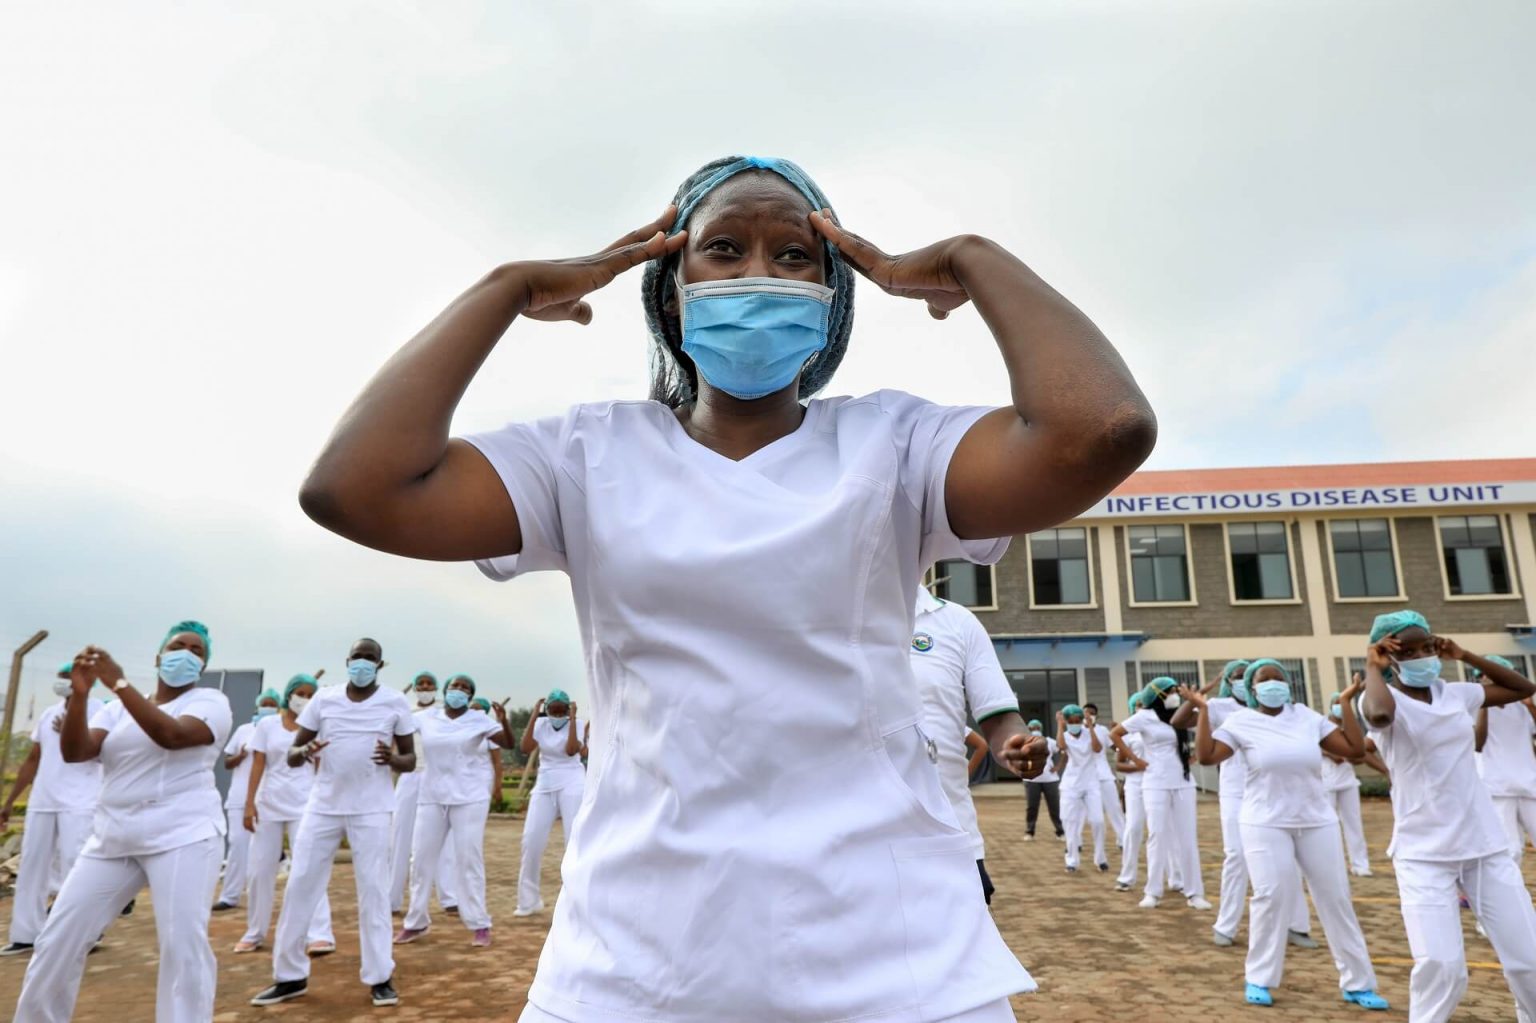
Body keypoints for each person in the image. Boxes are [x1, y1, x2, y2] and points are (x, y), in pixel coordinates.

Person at [294, 153, 1153, 1021]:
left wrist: (973, 257)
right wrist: (506, 288)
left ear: (832, 297)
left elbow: (1102, 428)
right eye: (725, 248)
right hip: (631, 968)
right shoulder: (585, 455)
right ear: (672, 290)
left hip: (898, 965)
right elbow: (355, 487)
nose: (757, 274)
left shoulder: (896, 445)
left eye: (794, 255)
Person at [13, 622, 233, 1023]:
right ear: (159, 656)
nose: (186, 654)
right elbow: (77, 752)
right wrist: (81, 697)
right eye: (178, 646)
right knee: (58, 939)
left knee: (183, 947)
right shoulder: (115, 710)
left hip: (182, 835)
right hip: (113, 837)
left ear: (203, 665)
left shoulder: (210, 702)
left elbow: (171, 735)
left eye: (196, 650)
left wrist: (118, 683)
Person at [1361, 611, 1536, 1022]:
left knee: (1529, 959)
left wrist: (1464, 655)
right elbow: (1379, 716)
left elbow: (1523, 688)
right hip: (1424, 854)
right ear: (1390, 655)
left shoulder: (1456, 694)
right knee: (1442, 968)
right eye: (1409, 651)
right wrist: (1372, 666)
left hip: (1484, 847)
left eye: (1427, 647)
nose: (1422, 656)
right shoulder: (1386, 700)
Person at [1189, 663, 1387, 1010]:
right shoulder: (1241, 721)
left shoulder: (1306, 717)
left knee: (1336, 899)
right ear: (1252, 688)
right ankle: (1259, 977)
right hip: (1265, 822)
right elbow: (1206, 757)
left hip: (1316, 820)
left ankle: (1359, 983)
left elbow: (1355, 751)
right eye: (1264, 679)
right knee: (1271, 896)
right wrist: (1204, 711)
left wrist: (1345, 704)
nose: (1273, 684)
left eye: (1278, 678)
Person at [251, 638, 417, 1009]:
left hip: (372, 809)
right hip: (322, 806)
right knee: (300, 885)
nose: (363, 663)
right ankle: (289, 976)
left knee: (373, 891)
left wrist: (392, 759)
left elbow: (409, 760)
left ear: (380, 665)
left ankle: (380, 977)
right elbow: (293, 755)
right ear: (347, 660)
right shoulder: (324, 699)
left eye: (370, 658)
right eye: (357, 657)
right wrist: (305, 750)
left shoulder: (394, 702)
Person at [1172, 660, 1315, 948]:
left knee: (1288, 859)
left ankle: (1296, 925)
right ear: (1228, 682)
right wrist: (1198, 699)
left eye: (1243, 676)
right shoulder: (1219, 706)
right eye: (1234, 676)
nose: (1239, 680)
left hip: (1271, 792)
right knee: (1237, 855)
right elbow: (1179, 721)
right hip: (1235, 791)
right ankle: (1226, 926)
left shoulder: (1275, 710)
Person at [909, 585, 1022, 903]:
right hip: (849, 847)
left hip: (951, 838)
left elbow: (1000, 720)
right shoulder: (823, 614)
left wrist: (1017, 744)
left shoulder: (957, 621)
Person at [395, 674, 516, 948]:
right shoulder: (427, 717)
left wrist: (504, 721)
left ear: (470, 696)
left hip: (469, 797)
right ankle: (416, 922)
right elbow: (398, 727)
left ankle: (480, 923)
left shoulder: (479, 720)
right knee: (421, 860)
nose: (458, 690)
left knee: (468, 859)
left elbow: (508, 743)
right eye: (454, 686)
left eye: (464, 688)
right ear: (446, 690)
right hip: (432, 795)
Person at [0, 663, 103, 958]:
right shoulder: (49, 713)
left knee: (76, 865)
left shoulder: (99, 711)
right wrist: (9, 801)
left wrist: (74, 728)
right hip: (43, 800)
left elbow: (102, 751)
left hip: (80, 800)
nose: (62, 682)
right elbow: (34, 758)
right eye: (60, 677)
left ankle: (84, 934)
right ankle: (26, 934)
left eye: (67, 677)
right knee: (32, 866)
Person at [233, 673, 334, 955]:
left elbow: (320, 769)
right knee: (259, 871)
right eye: (300, 693)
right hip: (269, 804)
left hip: (305, 806)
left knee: (309, 868)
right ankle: (255, 932)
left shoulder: (316, 727)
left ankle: (319, 933)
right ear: (289, 694)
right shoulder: (267, 726)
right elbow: (258, 765)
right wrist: (249, 804)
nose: (304, 699)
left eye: (310, 695)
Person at [1111, 676, 1209, 909]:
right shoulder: (1144, 716)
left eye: (1176, 691)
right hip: (1155, 782)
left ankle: (1194, 893)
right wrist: (1136, 760)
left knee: (1187, 837)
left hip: (1183, 781)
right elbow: (1115, 734)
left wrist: (1195, 756)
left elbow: (1206, 721)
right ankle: (1152, 892)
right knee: (1157, 835)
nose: (1175, 695)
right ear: (1157, 695)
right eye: (1170, 691)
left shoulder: (1181, 716)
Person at [513, 689, 590, 917]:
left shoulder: (577, 723)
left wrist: (573, 718)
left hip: (572, 781)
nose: (557, 714)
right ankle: (529, 901)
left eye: (561, 710)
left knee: (573, 840)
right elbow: (525, 748)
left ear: (567, 709)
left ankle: (577, 901)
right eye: (552, 709)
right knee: (531, 841)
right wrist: (534, 714)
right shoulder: (541, 724)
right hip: (545, 783)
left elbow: (571, 751)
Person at [388, 671, 458, 917]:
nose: (425, 687)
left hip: (436, 778)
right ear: (415, 687)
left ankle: (449, 896)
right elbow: (393, 746)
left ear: (436, 688)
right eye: (421, 684)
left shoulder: (442, 714)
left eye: (430, 684)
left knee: (442, 839)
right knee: (399, 839)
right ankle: (392, 899)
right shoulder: (404, 712)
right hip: (409, 777)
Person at [214, 689, 279, 912]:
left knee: (261, 851)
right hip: (239, 798)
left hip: (268, 799)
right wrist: (240, 756)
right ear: (258, 706)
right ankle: (229, 896)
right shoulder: (244, 730)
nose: (268, 707)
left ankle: (257, 897)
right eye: (265, 703)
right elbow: (227, 762)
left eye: (272, 704)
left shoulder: (279, 730)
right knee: (237, 845)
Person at [1471, 655, 1536, 863]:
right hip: (1497, 787)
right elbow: (1478, 743)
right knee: (1511, 850)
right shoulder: (1473, 708)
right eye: (1482, 676)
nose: (1486, 678)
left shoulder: (1521, 707)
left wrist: (1530, 706)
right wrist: (1484, 703)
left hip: (1528, 784)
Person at [1323, 682, 1387, 878]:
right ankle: (1331, 866)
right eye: (1336, 703)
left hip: (1348, 781)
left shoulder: (1350, 728)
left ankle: (1360, 864)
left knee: (1354, 824)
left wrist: (1385, 770)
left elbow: (1360, 754)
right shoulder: (1322, 726)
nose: (1339, 707)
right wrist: (1339, 753)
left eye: (1341, 703)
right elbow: (1329, 751)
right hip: (1326, 782)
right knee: (1328, 825)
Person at [1057, 704, 1107, 873]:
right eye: (1071, 721)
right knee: (1070, 822)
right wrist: (1060, 725)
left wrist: (1090, 726)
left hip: (1091, 782)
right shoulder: (1065, 735)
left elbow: (1097, 748)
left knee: (1098, 820)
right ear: (1066, 721)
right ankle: (1072, 860)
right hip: (1071, 785)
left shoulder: (1089, 734)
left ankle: (1100, 858)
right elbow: (1061, 747)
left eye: (1077, 720)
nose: (1075, 723)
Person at [1113, 692, 1148, 893]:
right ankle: (1127, 877)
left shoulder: (1162, 727)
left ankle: (1175, 877)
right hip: (1135, 785)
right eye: (1139, 704)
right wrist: (1138, 766)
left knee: (1164, 830)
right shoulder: (1127, 733)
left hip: (1159, 784)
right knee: (1133, 828)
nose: (1142, 707)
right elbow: (1119, 765)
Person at [1082, 702, 1124, 846]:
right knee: (1082, 812)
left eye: (1092, 713)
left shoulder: (1102, 730)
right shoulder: (1078, 731)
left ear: (1097, 716)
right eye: (1086, 713)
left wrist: (1118, 735)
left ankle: (1122, 839)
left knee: (1114, 808)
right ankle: (1076, 843)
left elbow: (1116, 748)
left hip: (1104, 774)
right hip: (1084, 777)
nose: (1089, 716)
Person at [1023, 719, 1064, 842]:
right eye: (1032, 728)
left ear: (1041, 729)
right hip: (1032, 779)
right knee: (1032, 807)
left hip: (1050, 779)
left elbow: (1063, 751)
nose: (1035, 730)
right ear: (1028, 729)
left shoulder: (1049, 741)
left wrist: (1058, 766)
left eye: (1037, 728)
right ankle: (1030, 831)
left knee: (1054, 807)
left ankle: (1060, 831)